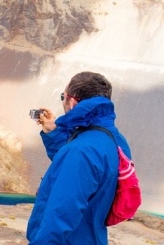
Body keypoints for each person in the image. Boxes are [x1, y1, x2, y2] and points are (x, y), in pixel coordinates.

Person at [26, 71, 133, 244]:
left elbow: (61, 215)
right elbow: (79, 169)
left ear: (73, 102)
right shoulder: (115, 140)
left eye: (63, 97)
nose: (63, 102)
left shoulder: (80, 151)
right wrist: (54, 133)